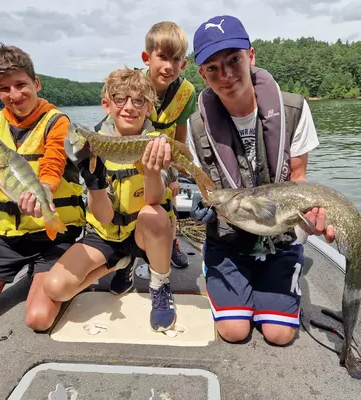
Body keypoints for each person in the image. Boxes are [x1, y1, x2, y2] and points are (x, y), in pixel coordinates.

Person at [188, 16, 335, 345]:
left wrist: (309, 221)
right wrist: (206, 209)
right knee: (234, 331)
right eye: (213, 68)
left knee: (279, 334)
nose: (225, 75)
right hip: (228, 241)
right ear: (202, 74)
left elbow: (298, 180)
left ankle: (274, 273)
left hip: (279, 237)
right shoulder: (196, 126)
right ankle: (223, 274)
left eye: (233, 60)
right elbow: (206, 192)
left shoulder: (294, 109)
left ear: (251, 56)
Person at [44, 68, 176, 332]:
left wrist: (151, 171)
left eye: (138, 101)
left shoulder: (158, 142)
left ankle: (160, 285)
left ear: (149, 107)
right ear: (107, 104)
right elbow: (103, 216)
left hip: (145, 232)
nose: (129, 107)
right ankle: (120, 263)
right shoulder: (92, 143)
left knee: (156, 215)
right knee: (56, 288)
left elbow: (155, 199)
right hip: (106, 233)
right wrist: (95, 184)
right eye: (120, 99)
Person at [0, 44, 85, 331]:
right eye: (4, 88)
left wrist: (43, 192)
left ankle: (55, 274)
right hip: (8, 238)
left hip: (53, 238)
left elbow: (53, 165)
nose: (14, 95)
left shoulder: (57, 121)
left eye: (21, 84)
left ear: (36, 83)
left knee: (38, 319)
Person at [142, 21, 197, 269]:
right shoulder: (134, 86)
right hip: (135, 151)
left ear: (183, 64)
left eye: (175, 59)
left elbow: (181, 134)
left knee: (168, 198)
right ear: (147, 57)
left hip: (166, 155)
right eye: (162, 57)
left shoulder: (187, 92)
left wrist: (175, 174)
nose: (168, 66)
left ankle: (172, 241)